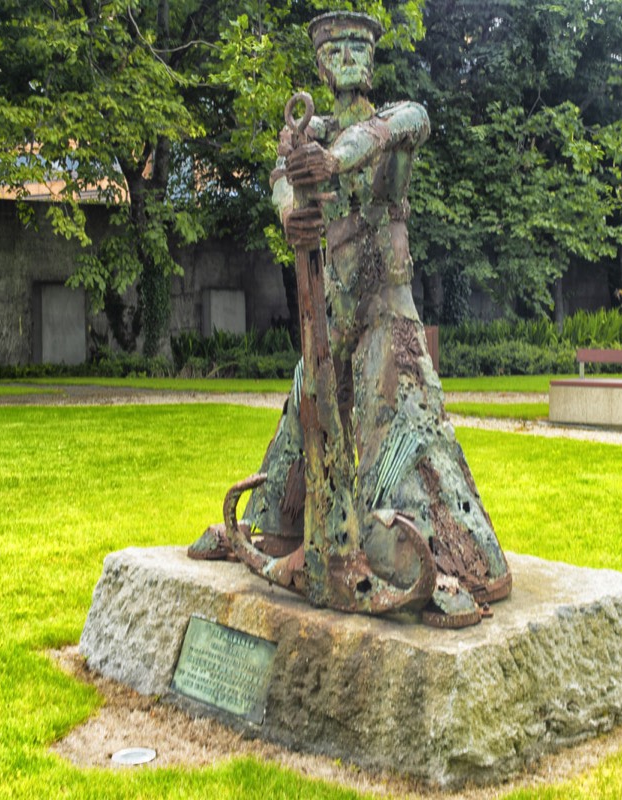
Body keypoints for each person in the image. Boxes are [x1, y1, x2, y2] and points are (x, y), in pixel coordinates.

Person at [190, 11, 509, 626]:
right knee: (305, 410)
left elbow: (397, 129)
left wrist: (330, 163)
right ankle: (273, 527)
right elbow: (281, 182)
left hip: (387, 307)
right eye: (333, 52)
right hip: (330, 305)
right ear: (319, 66)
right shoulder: (307, 139)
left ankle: (442, 561)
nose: (347, 60)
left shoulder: (393, 121)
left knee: (396, 425)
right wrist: (291, 212)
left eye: (357, 48)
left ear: (372, 58)